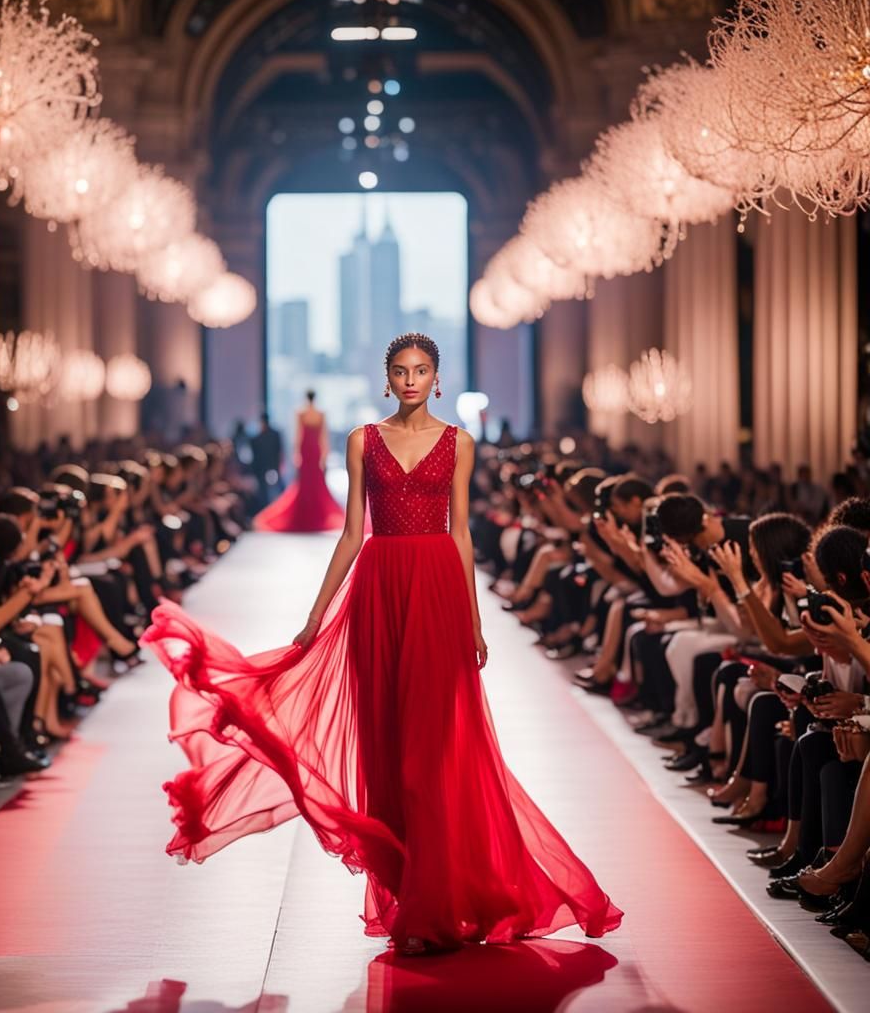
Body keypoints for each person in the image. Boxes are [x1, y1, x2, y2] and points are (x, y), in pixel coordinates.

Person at [144, 332, 622, 955]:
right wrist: (316, 615)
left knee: (435, 753)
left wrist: (473, 621)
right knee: (388, 751)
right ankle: (410, 893)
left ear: (438, 378)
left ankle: (437, 902)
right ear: (387, 379)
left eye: (422, 370)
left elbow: (461, 534)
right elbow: (351, 535)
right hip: (378, 592)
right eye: (401, 371)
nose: (411, 380)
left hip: (437, 597)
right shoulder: (362, 440)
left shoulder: (460, 444)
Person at [253, 390, 346, 533]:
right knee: (313, 484)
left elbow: (298, 436)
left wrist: (296, 454)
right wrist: (324, 455)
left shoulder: (300, 413)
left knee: (307, 484)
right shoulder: (320, 414)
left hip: (307, 450)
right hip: (314, 451)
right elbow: (323, 437)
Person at [250, 412, 284, 508]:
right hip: (271, 468)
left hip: (265, 469)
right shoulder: (275, 435)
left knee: (266, 494)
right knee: (274, 493)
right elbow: (280, 452)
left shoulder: (256, 439)